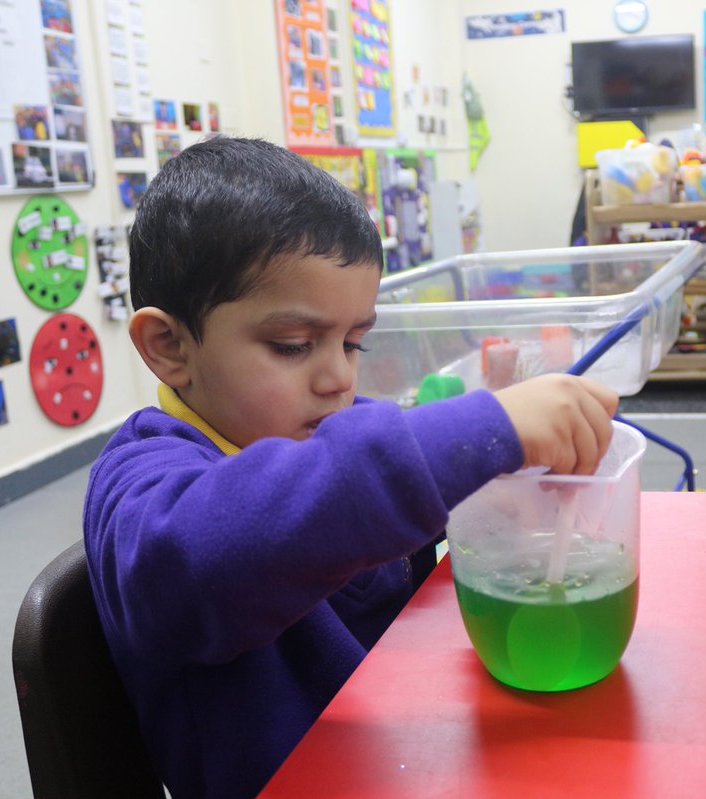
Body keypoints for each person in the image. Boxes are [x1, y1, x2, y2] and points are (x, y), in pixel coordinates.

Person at [84, 137, 618, 799]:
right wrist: (483, 431)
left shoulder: (317, 423)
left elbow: (361, 506)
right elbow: (217, 552)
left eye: (353, 341)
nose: (338, 375)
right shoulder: (142, 483)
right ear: (169, 346)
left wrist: (479, 498)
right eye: (294, 345)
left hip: (401, 752)